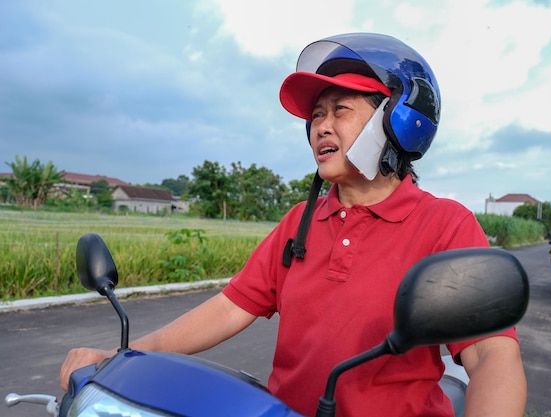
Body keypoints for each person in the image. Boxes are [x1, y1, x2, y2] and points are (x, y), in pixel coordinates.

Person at [60, 33, 526, 417]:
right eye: (316, 115)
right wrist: (126, 357)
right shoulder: (300, 222)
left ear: (398, 121)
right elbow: (229, 308)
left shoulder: (443, 224)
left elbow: (489, 353)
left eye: (340, 110)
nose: (322, 126)